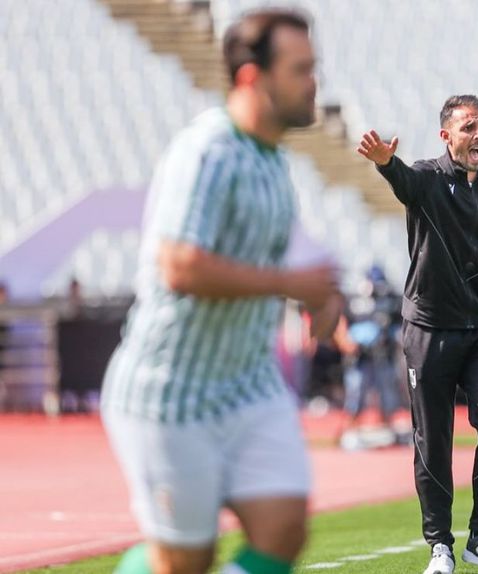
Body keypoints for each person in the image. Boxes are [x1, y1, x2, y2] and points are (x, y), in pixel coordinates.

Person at [100, 9, 341, 574]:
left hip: (246, 386)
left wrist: (316, 297)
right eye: (301, 69)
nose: (314, 82)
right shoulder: (207, 151)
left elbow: (266, 266)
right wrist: (289, 284)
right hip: (171, 392)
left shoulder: (274, 161)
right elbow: (179, 266)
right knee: (185, 561)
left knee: (284, 528)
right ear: (254, 77)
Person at [357, 95, 478, 574]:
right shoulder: (428, 179)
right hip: (429, 330)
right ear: (447, 135)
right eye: (468, 128)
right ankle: (440, 545)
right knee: (432, 439)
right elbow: (403, 180)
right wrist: (385, 163)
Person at [340, 265, 405, 449]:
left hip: (383, 356)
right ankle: (349, 432)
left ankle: (389, 431)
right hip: (360, 358)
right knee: (356, 395)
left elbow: (399, 326)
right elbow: (342, 324)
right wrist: (348, 344)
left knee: (388, 395)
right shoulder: (356, 302)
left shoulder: (390, 301)